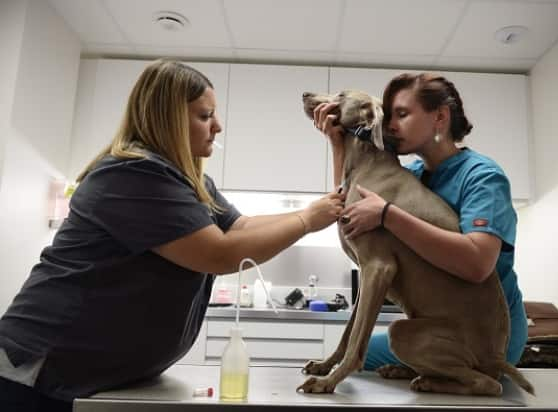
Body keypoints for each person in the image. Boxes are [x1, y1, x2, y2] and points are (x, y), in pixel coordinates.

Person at [0, 59, 344, 411]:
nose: (218, 126)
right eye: (205, 115)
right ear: (168, 118)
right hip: (36, 370)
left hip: (91, 375)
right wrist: (306, 219)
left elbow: (240, 227)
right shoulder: (133, 173)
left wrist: (318, 209)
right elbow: (219, 254)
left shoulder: (190, 182)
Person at [313, 72, 527, 371]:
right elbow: (348, 205)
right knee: (365, 356)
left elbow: (478, 264)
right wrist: (339, 144)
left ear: (439, 117)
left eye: (402, 114)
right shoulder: (411, 175)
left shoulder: (482, 176)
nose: (390, 125)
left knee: (361, 359)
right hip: (435, 325)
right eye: (389, 117)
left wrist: (388, 215)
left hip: (486, 332)